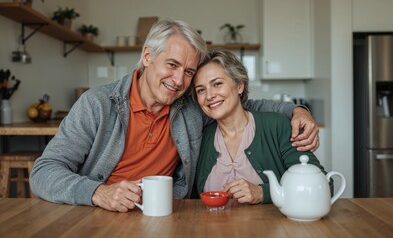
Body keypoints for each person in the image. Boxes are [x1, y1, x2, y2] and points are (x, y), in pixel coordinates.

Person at [30, 19, 319, 212]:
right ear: (147, 57)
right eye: (172, 64)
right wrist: (98, 193)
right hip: (97, 216)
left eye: (189, 71)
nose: (179, 80)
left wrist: (297, 110)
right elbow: (44, 173)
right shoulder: (97, 104)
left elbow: (244, 105)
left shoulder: (191, 106)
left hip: (165, 216)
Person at [193, 49, 326, 204]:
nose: (209, 96)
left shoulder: (277, 126)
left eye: (217, 84)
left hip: (273, 227)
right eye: (201, 90)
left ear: (239, 86)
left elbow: (324, 185)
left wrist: (263, 192)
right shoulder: (200, 137)